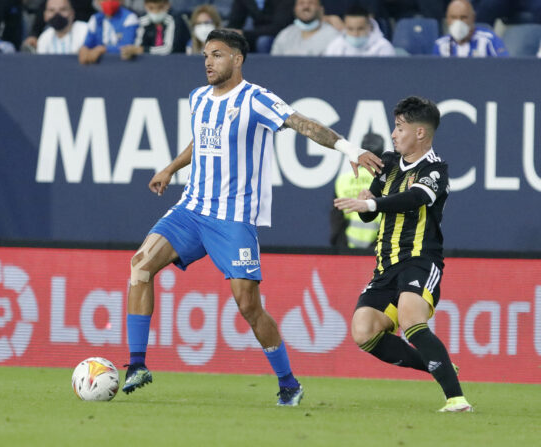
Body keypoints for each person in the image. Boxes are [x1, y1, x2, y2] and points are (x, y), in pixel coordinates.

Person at [122, 29, 383, 406]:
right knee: (140, 266)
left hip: (232, 218)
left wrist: (348, 148)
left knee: (248, 306)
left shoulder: (255, 99)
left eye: (218, 55)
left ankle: (288, 382)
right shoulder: (198, 98)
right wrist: (171, 168)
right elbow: (203, 139)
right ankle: (136, 365)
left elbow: (302, 123)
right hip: (192, 209)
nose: (209, 62)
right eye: (206, 56)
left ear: (238, 59)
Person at [334, 97, 472, 413]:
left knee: (411, 317)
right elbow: (372, 213)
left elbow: (416, 197)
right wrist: (368, 199)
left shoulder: (436, 168)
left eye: (399, 127)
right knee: (363, 331)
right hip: (386, 264)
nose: (394, 135)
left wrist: (372, 204)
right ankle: (441, 365)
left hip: (421, 260)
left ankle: (456, 399)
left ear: (420, 133)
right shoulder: (388, 163)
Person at [330, 132, 383, 249]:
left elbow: (336, 219)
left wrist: (340, 247)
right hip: (377, 247)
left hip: (346, 247)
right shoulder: (385, 180)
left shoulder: (343, 180)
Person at [433, 0, 508, 57]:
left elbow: (504, 66)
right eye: (453, 17)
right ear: (447, 19)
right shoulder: (440, 44)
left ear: (472, 18)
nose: (458, 22)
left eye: (463, 17)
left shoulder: (489, 40)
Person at [270, 0, 340, 56]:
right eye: (301, 3)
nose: (306, 6)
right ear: (294, 9)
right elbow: (274, 63)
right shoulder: (285, 34)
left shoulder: (333, 36)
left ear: (321, 9)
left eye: (311, 3)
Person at [120, 0, 186, 59]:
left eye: (160, 7)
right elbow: (138, 46)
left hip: (175, 61)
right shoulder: (143, 20)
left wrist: (144, 50)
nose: (156, 12)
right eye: (151, 8)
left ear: (167, 5)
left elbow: (169, 49)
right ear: (145, 6)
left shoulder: (175, 20)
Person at [324, 4, 395, 56]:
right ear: (345, 27)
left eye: (360, 29)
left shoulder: (383, 47)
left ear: (369, 26)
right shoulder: (335, 46)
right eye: (350, 29)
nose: (355, 34)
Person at [227, 0, 294, 52]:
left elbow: (279, 27)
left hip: (285, 35)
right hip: (255, 34)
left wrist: (244, 33)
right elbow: (234, 23)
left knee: (263, 41)